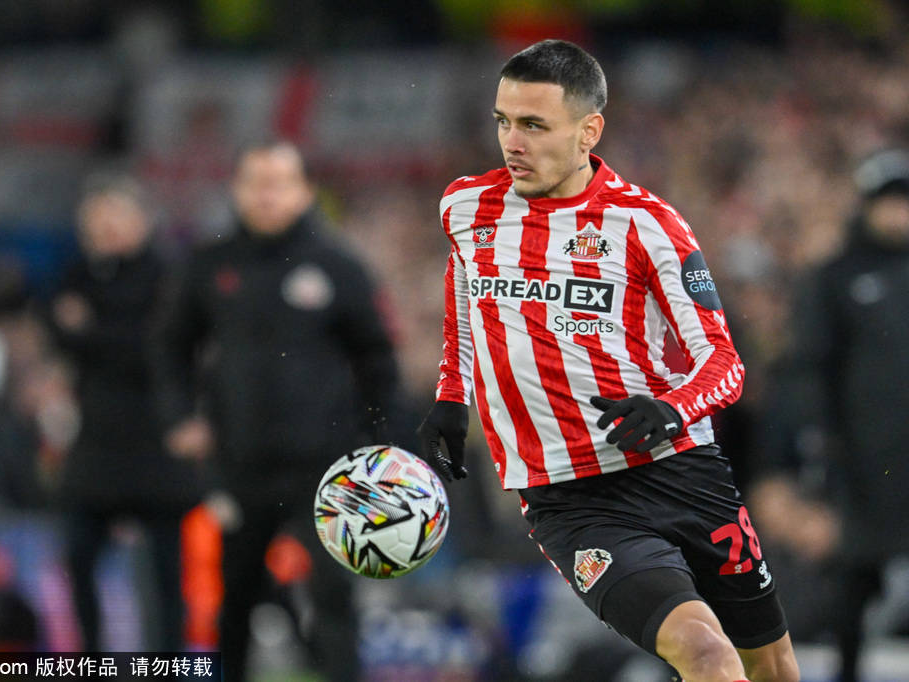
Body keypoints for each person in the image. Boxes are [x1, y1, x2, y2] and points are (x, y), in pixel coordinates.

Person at [417, 40, 800, 682]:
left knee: (773, 667)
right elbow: (464, 287)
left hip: (681, 471)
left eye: (534, 125)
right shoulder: (466, 207)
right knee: (706, 653)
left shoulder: (647, 225)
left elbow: (725, 363)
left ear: (589, 131)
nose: (512, 142)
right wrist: (452, 394)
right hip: (570, 498)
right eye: (503, 121)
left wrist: (672, 409)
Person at [150, 140, 409, 682]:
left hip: (327, 465)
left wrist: (380, 444)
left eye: (279, 183)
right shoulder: (210, 265)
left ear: (305, 191)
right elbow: (170, 345)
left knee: (333, 593)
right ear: (237, 190)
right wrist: (179, 417)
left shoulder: (338, 267)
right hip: (239, 462)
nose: (266, 195)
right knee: (236, 595)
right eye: (255, 183)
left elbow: (378, 360)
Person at [769, 148, 909, 682]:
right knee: (852, 583)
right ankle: (847, 672)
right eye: (888, 201)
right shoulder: (835, 277)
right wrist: (817, 443)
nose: (898, 213)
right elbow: (808, 368)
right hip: (862, 463)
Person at [47, 173, 201, 651]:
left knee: (165, 572)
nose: (104, 227)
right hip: (97, 442)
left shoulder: (169, 274)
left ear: (143, 219)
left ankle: (169, 662)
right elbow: (55, 328)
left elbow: (154, 348)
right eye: (94, 219)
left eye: (113, 214)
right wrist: (94, 335)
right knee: (78, 555)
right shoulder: (77, 274)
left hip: (158, 440)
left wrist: (90, 332)